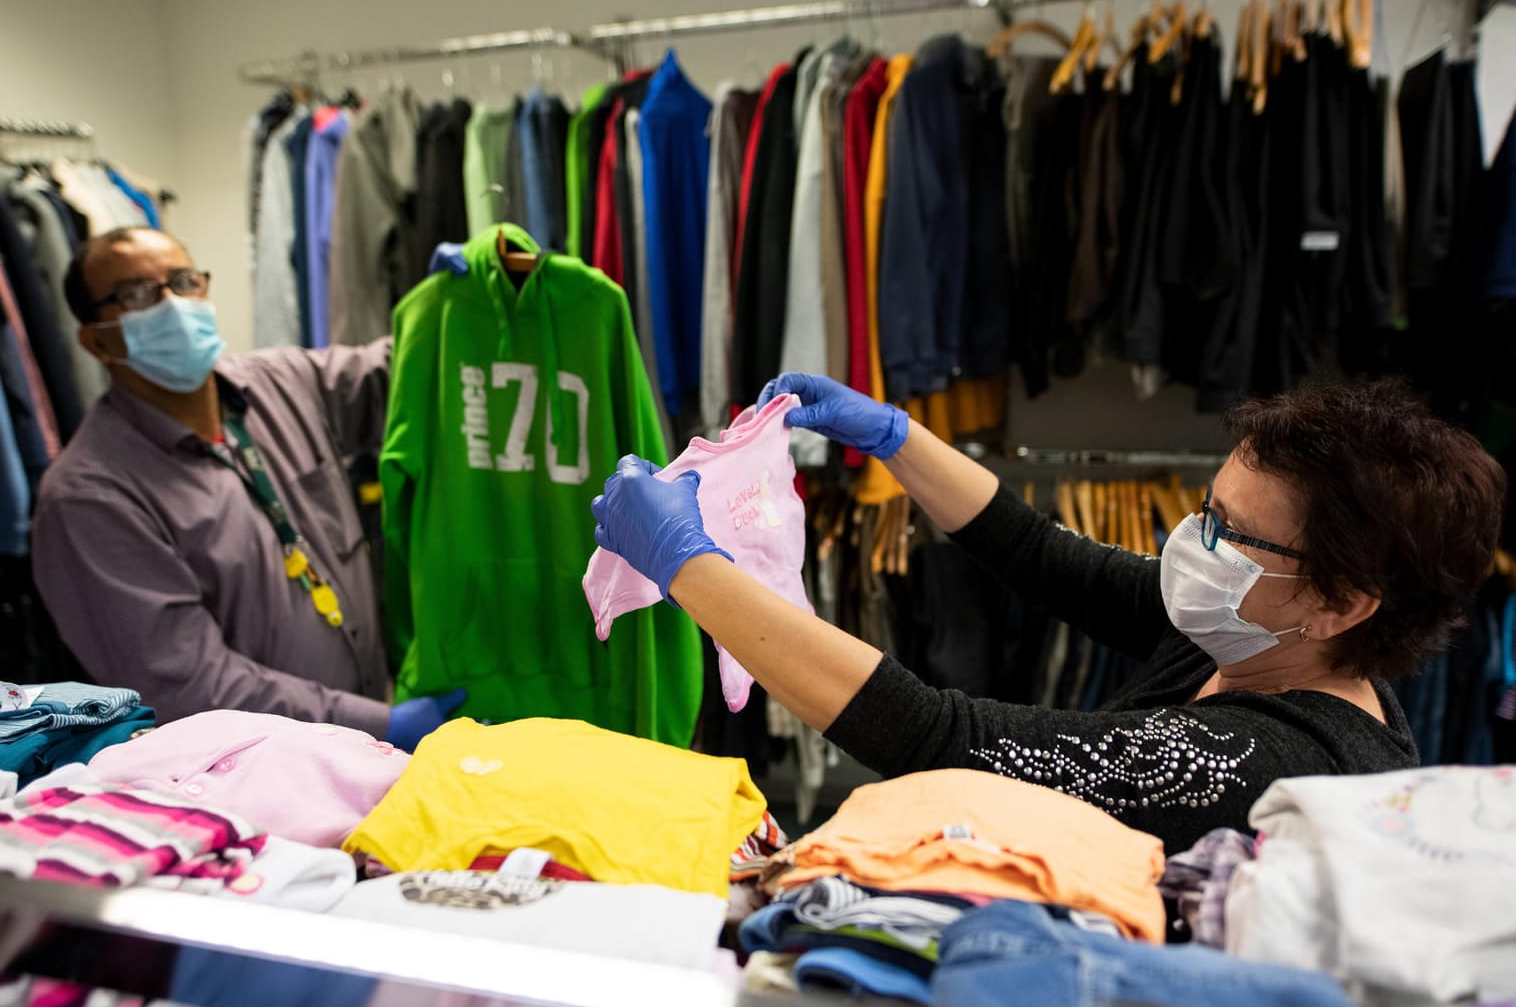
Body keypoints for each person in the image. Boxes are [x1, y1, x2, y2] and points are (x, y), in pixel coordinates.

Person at [591, 373, 1507, 852]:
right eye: (1205, 509)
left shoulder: (1268, 760)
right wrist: (893, 436)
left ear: (1342, 601)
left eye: (1231, 533)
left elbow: (937, 735)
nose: (1193, 543)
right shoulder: (1252, 633)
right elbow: (1036, 551)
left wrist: (690, 567)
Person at [32, 227, 463, 751]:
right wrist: (378, 724)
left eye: (184, 281)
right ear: (95, 339)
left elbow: (404, 374)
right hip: (245, 780)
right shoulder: (89, 498)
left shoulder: (280, 383)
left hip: (373, 734)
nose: (172, 304)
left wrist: (449, 306)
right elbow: (189, 684)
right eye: (138, 294)